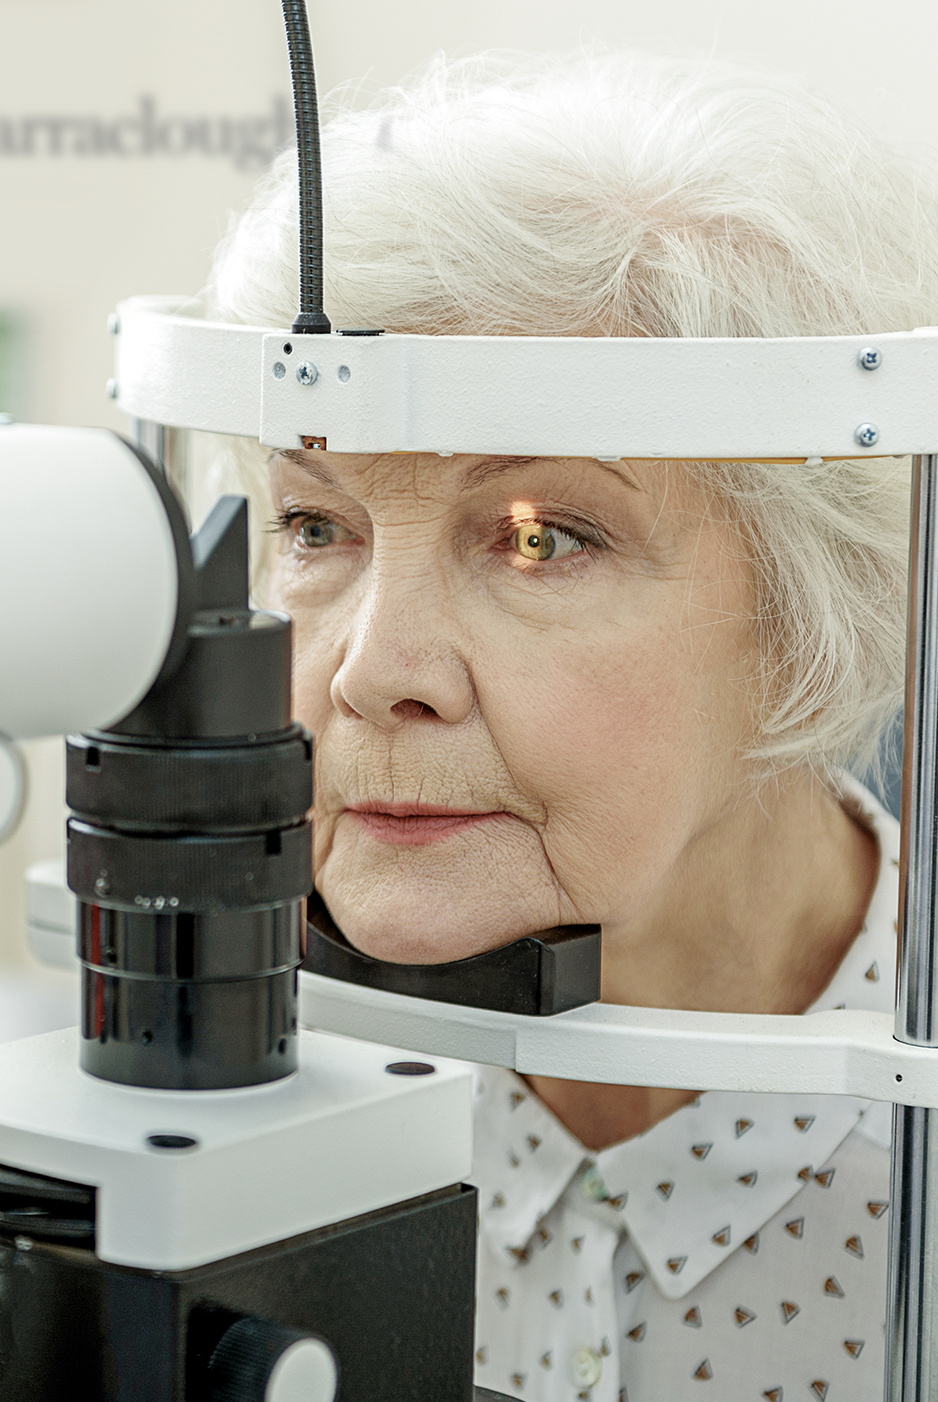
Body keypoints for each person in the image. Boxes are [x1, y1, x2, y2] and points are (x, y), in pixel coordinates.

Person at [205, 50, 938, 1401]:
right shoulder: (208, 1124)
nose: (374, 673)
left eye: (541, 536)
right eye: (318, 522)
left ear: (814, 605)